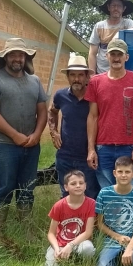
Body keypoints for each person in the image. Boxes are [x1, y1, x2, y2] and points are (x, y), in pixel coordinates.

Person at [0, 38, 48, 238]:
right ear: (5, 57)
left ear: (25, 58)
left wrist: (36, 135)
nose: (17, 58)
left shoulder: (34, 81)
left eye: (21, 55)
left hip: (31, 145)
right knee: (4, 187)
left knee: (27, 188)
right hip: (5, 145)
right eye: (13, 55)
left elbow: (42, 111)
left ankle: (26, 230)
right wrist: (15, 135)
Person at [85, 38, 133, 189]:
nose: (116, 58)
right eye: (112, 54)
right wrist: (91, 149)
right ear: (107, 56)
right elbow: (93, 116)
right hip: (103, 147)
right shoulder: (95, 82)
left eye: (120, 54)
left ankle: (132, 214)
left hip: (129, 147)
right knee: (107, 193)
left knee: (129, 193)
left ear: (126, 57)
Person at [48, 53, 99, 200]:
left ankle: (90, 224)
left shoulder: (94, 96)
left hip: (88, 156)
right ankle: (68, 223)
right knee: (66, 195)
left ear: (87, 76)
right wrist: (54, 132)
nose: (76, 79)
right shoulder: (60, 95)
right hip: (65, 156)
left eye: (80, 75)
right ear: (67, 77)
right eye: (72, 75)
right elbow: (52, 112)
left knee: (90, 195)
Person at [95, 156, 133, 266]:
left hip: (132, 239)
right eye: (120, 172)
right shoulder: (104, 193)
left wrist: (130, 248)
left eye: (127, 172)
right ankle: (114, 260)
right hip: (111, 239)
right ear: (114, 173)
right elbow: (100, 223)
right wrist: (117, 236)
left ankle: (127, 256)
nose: (124, 175)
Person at [45, 170, 96, 266]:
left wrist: (70, 246)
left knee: (88, 249)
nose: (78, 186)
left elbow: (88, 232)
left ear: (85, 185)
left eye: (81, 183)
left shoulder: (91, 204)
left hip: (80, 243)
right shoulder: (59, 205)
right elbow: (51, 233)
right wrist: (56, 248)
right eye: (73, 183)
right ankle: (61, 256)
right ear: (66, 187)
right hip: (60, 244)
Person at [88, 0, 133, 74]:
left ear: (124, 8)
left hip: (121, 73)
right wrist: (92, 76)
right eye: (113, 5)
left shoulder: (127, 23)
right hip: (102, 73)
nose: (116, 8)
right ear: (108, 7)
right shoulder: (99, 26)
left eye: (119, 6)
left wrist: (118, 35)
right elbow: (92, 53)